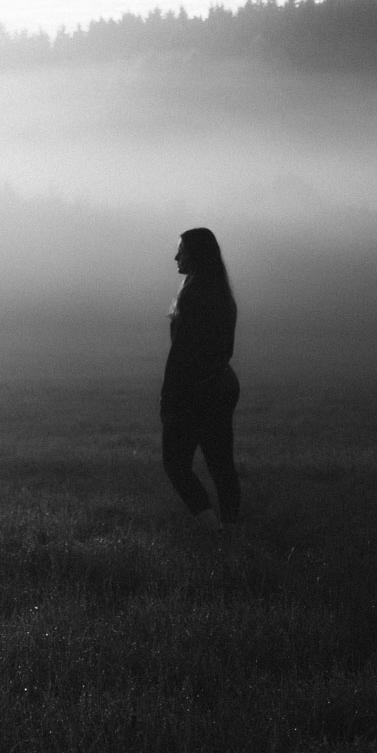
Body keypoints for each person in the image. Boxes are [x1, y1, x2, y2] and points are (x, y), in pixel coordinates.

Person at [160, 227, 241, 531]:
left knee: (175, 465)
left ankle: (213, 528)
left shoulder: (193, 296)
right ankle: (232, 528)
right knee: (221, 465)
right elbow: (224, 351)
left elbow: (181, 356)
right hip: (220, 386)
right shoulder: (222, 295)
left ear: (197, 255)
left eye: (182, 250)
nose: (176, 256)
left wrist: (168, 398)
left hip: (193, 393)